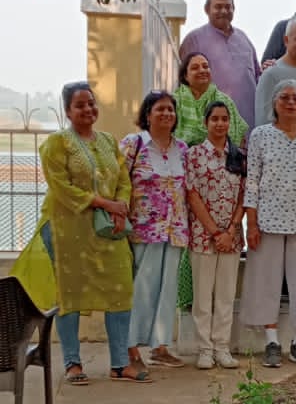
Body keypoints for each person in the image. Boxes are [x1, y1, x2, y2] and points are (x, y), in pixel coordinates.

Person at [11, 82, 148, 384]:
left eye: (91, 103)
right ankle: (72, 363)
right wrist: (106, 204)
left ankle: (120, 364)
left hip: (108, 231)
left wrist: (120, 207)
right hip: (68, 231)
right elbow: (61, 187)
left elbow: (123, 180)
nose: (88, 109)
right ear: (68, 111)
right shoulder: (57, 144)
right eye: (80, 105)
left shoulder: (108, 141)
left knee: (120, 290)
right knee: (69, 294)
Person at [240, 80, 296, 369]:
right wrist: (251, 224)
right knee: (266, 281)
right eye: (285, 97)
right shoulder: (260, 136)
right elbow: (252, 182)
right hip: (267, 221)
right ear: (275, 103)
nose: (291, 103)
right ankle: (272, 342)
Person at [121, 92, 189, 369]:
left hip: (175, 229)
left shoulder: (181, 148)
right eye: (160, 109)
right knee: (142, 289)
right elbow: (118, 182)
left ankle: (161, 347)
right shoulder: (134, 143)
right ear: (147, 114)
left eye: (170, 109)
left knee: (168, 290)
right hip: (144, 229)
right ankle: (130, 348)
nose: (166, 114)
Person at [186, 102, 246, 370]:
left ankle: (222, 348)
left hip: (231, 237)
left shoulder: (238, 156)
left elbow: (244, 195)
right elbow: (192, 195)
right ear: (206, 123)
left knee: (225, 295)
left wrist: (230, 230)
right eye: (215, 119)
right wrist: (214, 231)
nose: (220, 124)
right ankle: (204, 349)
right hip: (203, 236)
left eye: (224, 119)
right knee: (202, 296)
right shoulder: (194, 155)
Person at [179, 0, 260, 130]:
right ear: (207, 9)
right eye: (218, 7)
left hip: (248, 124)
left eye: (228, 7)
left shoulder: (243, 38)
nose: (224, 11)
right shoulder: (194, 39)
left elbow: (258, 75)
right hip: (212, 127)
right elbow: (183, 85)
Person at [175, 53, 248, 148]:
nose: (202, 70)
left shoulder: (225, 101)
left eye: (205, 66)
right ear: (185, 76)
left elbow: (240, 138)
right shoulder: (175, 100)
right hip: (180, 155)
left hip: (222, 155)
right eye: (195, 68)